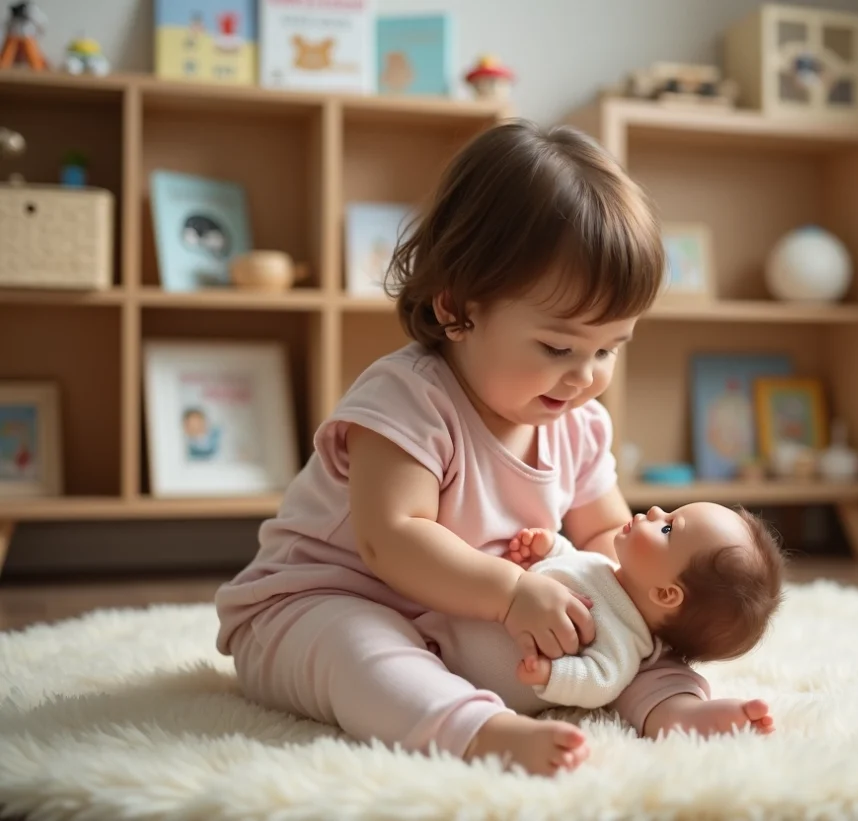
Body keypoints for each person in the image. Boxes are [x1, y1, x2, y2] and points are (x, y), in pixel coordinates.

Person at [213, 119, 778, 778]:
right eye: (559, 347)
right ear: (459, 308)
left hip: (463, 617)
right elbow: (391, 538)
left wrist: (631, 608)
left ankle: (672, 707)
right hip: (316, 605)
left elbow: (605, 536)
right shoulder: (408, 398)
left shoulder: (580, 424)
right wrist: (513, 593)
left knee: (619, 609)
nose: (587, 374)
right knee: (362, 650)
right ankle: (477, 730)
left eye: (610, 348)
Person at [416, 502, 784, 718]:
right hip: (447, 621)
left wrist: (552, 674)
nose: (655, 510)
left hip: (460, 673)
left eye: (669, 528)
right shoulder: (606, 569)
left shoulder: (625, 639)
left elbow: (600, 682)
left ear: (667, 594)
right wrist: (550, 549)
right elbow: (576, 564)